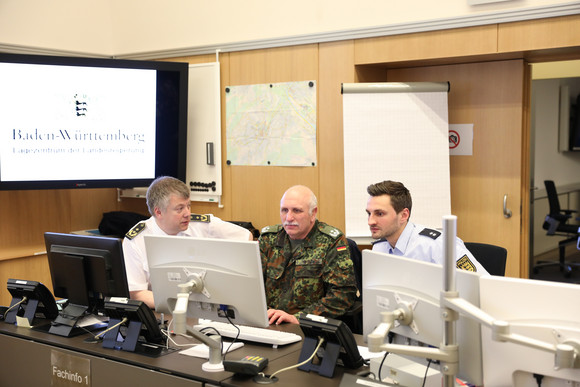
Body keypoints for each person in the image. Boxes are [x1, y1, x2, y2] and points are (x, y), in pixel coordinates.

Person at [123, 176, 252, 308]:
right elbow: (137, 294)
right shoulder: (136, 240)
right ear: (159, 211)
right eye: (180, 209)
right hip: (163, 312)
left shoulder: (203, 225)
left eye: (188, 206)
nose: (187, 213)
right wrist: (183, 305)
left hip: (209, 308)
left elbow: (247, 238)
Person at [259, 185, 357, 325]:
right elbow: (251, 284)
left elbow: (342, 295)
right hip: (269, 322)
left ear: (313, 213)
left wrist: (298, 318)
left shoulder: (331, 242)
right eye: (284, 210)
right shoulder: (268, 238)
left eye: (297, 211)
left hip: (308, 326)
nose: (289, 217)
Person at [366, 180, 489, 274]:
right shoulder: (379, 248)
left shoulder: (438, 245)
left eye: (380, 214)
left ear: (404, 215)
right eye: (369, 213)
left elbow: (482, 286)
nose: (370, 221)